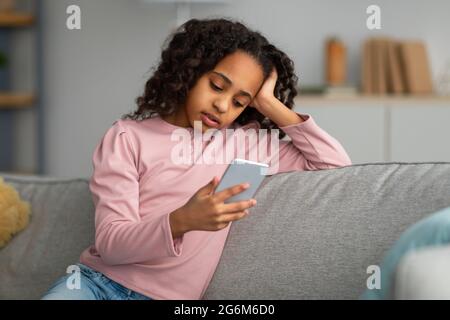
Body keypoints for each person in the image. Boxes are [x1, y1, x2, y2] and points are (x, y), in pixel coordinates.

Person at [42, 18, 351, 300]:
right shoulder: (127, 138)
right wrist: (182, 221)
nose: (222, 105)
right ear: (189, 72)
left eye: (240, 101)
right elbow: (110, 244)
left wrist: (269, 103)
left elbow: (334, 166)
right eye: (217, 86)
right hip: (95, 286)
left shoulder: (243, 144)